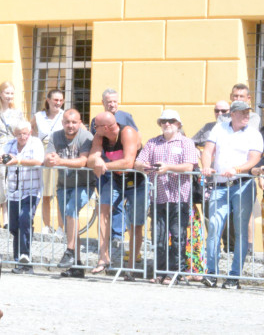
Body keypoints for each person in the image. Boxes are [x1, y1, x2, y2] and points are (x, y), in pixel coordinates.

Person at [200, 100, 262, 289]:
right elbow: (208, 150)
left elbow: (254, 159)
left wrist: (237, 169)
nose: (246, 116)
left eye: (247, 113)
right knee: (214, 230)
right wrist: (206, 166)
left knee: (240, 231)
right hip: (219, 185)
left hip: (242, 185)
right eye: (242, 113)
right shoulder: (219, 129)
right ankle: (211, 273)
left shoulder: (253, 133)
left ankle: (234, 276)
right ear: (233, 114)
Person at [134, 109, 198, 283]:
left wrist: (168, 167)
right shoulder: (153, 142)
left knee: (178, 238)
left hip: (179, 198)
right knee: (159, 238)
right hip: (158, 197)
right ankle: (160, 272)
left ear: (178, 124)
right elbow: (138, 162)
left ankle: (175, 273)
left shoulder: (186, 142)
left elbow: (189, 167)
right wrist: (144, 166)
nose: (166, 124)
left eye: (170, 121)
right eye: (163, 121)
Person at [87, 111, 146, 275]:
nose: (93, 128)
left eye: (95, 126)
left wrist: (103, 165)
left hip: (137, 181)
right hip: (117, 180)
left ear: (105, 127)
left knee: (135, 222)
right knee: (103, 211)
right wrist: (97, 160)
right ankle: (103, 257)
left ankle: (131, 264)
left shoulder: (127, 133)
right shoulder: (100, 137)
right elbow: (91, 159)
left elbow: (128, 162)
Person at [45, 108, 94, 270]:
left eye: (74, 122)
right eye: (67, 122)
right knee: (70, 220)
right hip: (63, 185)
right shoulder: (55, 136)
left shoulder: (86, 137)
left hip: (84, 184)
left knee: (71, 210)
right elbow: (49, 156)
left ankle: (70, 251)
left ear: (80, 123)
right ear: (62, 122)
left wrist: (59, 161)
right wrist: (51, 158)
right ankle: (77, 265)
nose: (70, 125)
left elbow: (82, 162)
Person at [0, 81, 25, 245]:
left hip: (11, 148)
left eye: (12, 93)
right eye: (7, 93)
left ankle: (6, 218)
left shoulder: (17, 113)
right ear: (0, 94)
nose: (9, 96)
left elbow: (22, 130)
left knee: (9, 183)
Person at [5, 122, 44, 273]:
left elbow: (39, 161)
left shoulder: (36, 143)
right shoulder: (9, 144)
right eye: (19, 133)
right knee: (14, 226)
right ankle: (18, 260)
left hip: (31, 190)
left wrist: (18, 161)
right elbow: (1, 156)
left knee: (25, 219)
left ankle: (25, 258)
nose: (22, 136)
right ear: (15, 134)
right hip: (13, 192)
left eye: (25, 133)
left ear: (30, 132)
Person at [31, 88, 65, 234]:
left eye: (60, 100)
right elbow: (30, 130)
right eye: (55, 100)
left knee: (59, 193)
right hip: (44, 153)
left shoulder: (65, 115)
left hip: (60, 154)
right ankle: (46, 225)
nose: (58, 103)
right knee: (45, 192)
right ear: (48, 100)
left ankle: (61, 227)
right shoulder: (39, 116)